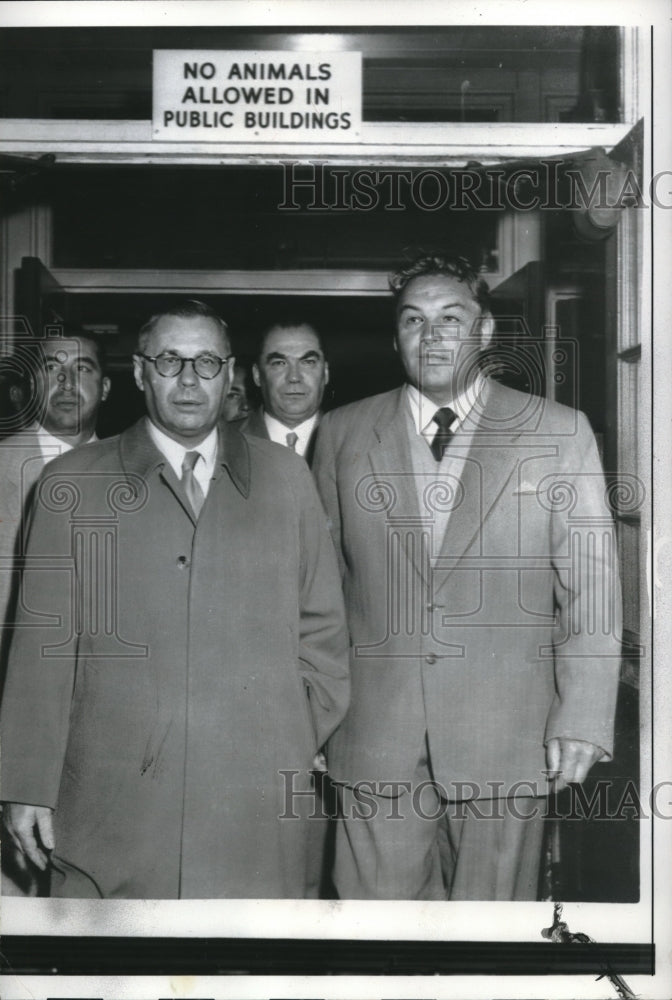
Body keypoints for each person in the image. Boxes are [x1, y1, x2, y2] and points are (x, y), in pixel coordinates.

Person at [0, 299, 349, 899]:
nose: (189, 381)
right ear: (139, 373)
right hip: (112, 811)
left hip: (254, 805)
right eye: (170, 361)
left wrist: (282, 732)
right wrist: (26, 782)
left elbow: (323, 631)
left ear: (232, 373)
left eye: (206, 362)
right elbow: (41, 650)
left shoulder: (286, 479)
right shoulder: (70, 483)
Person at [312, 254, 622, 901]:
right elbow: (319, 592)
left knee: (490, 950)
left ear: (483, 332)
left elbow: (591, 590)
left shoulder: (557, 434)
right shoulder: (342, 433)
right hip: (373, 738)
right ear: (395, 336)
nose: (432, 337)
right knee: (376, 951)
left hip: (506, 739)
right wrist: (312, 714)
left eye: (451, 319)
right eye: (414, 321)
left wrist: (584, 717)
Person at [0, 330, 111, 895]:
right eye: (54, 368)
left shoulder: (137, 469)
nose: (69, 383)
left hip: (106, 726)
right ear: (31, 382)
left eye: (84, 368)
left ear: (109, 385)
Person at [240, 322, 329, 463]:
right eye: (279, 363)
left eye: (308, 362)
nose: (294, 377)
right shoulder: (224, 441)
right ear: (257, 375)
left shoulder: (353, 439)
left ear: (325, 372)